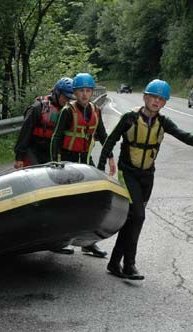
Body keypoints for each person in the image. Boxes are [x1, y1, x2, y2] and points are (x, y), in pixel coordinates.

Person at [98, 79, 193, 280]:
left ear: (165, 102)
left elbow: (184, 136)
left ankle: (115, 263)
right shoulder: (130, 118)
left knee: (133, 219)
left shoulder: (163, 122)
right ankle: (129, 265)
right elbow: (110, 140)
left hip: (147, 176)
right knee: (138, 216)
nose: (156, 101)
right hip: (128, 173)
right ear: (145, 97)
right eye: (153, 97)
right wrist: (101, 166)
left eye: (161, 98)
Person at [50, 73, 117, 258]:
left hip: (86, 161)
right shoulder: (67, 111)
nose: (85, 95)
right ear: (75, 92)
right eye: (81, 91)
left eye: (88, 91)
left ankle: (89, 243)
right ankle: (59, 241)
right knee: (65, 203)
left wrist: (110, 157)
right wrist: (54, 162)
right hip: (67, 160)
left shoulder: (96, 110)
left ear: (92, 92)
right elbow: (56, 137)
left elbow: (103, 135)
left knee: (94, 203)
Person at [14, 77, 76, 255]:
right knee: (33, 193)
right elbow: (24, 134)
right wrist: (19, 157)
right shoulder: (38, 107)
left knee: (55, 197)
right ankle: (24, 234)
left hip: (50, 152)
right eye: (65, 97)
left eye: (70, 98)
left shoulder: (67, 110)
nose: (67, 100)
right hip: (32, 151)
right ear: (56, 93)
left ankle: (55, 241)